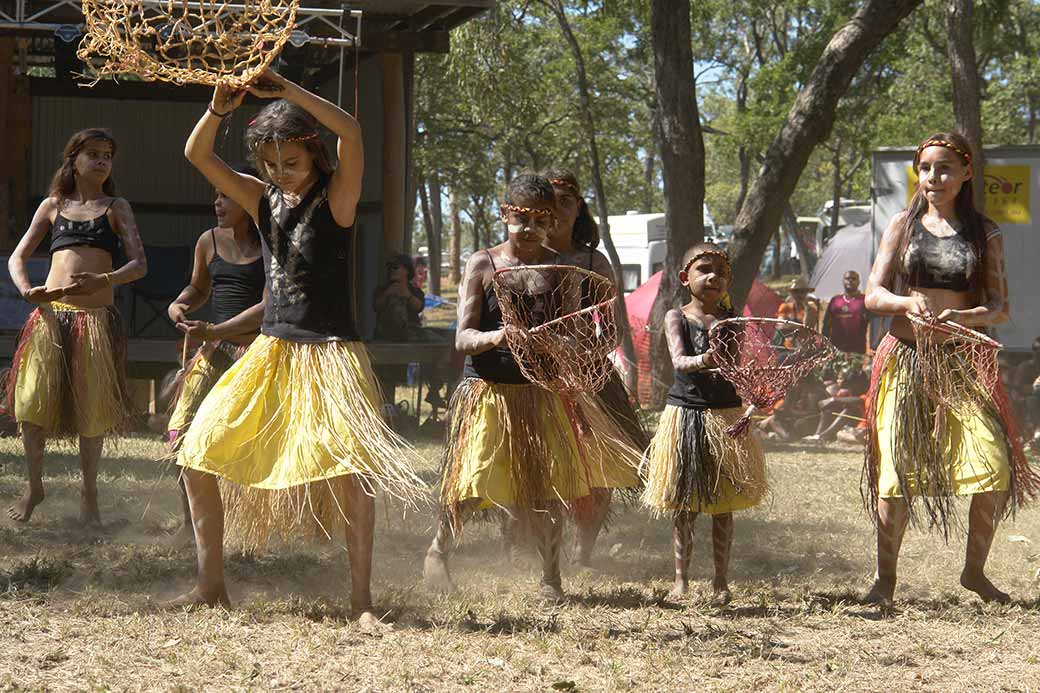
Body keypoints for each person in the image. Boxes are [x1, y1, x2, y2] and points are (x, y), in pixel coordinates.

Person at [172, 69, 423, 623]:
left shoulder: (339, 200)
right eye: (271, 164)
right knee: (197, 451)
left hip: (330, 352)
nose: (281, 173)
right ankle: (209, 584)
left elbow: (353, 132)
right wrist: (218, 108)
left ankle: (362, 602)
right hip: (271, 350)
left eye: (292, 163)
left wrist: (286, 92)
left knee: (349, 471)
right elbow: (198, 154)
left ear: (314, 158)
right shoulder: (262, 199)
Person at [423, 173, 641, 601]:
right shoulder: (482, 263)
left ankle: (550, 578)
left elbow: (573, 332)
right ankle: (438, 551)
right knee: (471, 482)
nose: (531, 229)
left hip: (541, 391)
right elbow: (462, 337)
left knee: (549, 487)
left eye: (541, 220)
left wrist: (559, 344)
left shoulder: (559, 271)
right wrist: (497, 337)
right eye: (521, 218)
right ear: (504, 215)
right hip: (488, 390)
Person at [862, 131, 1039, 605]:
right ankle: (885, 582)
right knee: (895, 471)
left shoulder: (986, 233)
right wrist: (907, 301)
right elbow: (873, 295)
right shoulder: (903, 224)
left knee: (994, 465)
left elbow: (1001, 307)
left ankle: (974, 572)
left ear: (965, 174)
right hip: (905, 357)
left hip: (960, 363)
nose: (933, 178)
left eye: (943, 169)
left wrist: (964, 316)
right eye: (925, 169)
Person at [5, 128, 146, 525]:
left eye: (108, 155)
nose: (102, 161)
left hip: (95, 324)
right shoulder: (53, 206)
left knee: (91, 412)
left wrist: (103, 282)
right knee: (31, 406)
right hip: (49, 320)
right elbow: (17, 259)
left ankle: (90, 494)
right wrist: (27, 291)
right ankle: (35, 487)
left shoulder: (117, 207)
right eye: (93, 154)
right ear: (74, 160)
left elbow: (139, 265)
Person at [642, 242, 766, 604]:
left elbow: (739, 368)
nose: (713, 277)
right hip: (687, 415)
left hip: (724, 415)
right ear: (684, 277)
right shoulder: (675, 317)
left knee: (723, 503)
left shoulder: (732, 323)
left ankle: (720, 581)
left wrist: (751, 401)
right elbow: (679, 362)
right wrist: (708, 359)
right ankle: (680, 580)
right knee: (685, 503)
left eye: (721, 272)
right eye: (704, 269)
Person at [542, 167, 650, 567]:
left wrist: (587, 356)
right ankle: (539, 550)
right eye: (550, 203)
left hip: (590, 375)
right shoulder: (527, 258)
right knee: (544, 463)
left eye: (567, 201)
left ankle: (583, 552)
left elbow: (614, 325)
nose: (559, 210)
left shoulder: (594, 260)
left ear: (580, 208)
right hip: (538, 374)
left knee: (599, 465)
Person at [165, 163, 267, 538]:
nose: (218, 203)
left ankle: (245, 523)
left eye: (225, 194)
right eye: (216, 195)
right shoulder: (208, 240)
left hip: (256, 353)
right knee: (182, 430)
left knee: (238, 439)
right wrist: (180, 304)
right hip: (213, 350)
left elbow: (269, 305)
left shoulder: (270, 244)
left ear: (247, 197)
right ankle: (191, 521)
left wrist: (218, 329)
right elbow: (199, 287)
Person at [822, 270, 868, 353]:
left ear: (858, 282)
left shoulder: (864, 300)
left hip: (857, 350)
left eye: (853, 279)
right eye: (847, 278)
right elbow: (826, 324)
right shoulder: (835, 300)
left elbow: (872, 325)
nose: (850, 280)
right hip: (836, 349)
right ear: (843, 281)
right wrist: (824, 345)